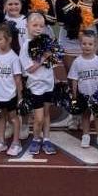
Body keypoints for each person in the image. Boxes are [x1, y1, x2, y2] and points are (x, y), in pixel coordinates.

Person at [18, 12, 58, 156]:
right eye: (34, 25)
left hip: (48, 84)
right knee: (38, 117)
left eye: (41, 26)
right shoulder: (25, 46)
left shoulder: (47, 42)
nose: (38, 28)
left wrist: (54, 78)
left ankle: (46, 138)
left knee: (47, 114)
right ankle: (36, 138)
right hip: (35, 86)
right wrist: (43, 57)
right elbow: (30, 69)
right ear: (27, 26)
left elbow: (52, 64)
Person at [0, 23, 24, 157]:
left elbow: (18, 78)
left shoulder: (14, 58)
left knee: (13, 118)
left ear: (9, 40)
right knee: (0, 117)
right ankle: (1, 141)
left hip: (10, 94)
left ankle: (16, 143)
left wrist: (19, 96)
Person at [67, 30, 98, 148]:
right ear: (80, 44)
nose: (87, 46)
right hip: (84, 94)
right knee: (85, 115)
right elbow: (74, 79)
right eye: (84, 44)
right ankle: (85, 135)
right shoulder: (77, 62)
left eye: (90, 44)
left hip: (97, 95)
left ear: (95, 46)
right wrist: (75, 95)